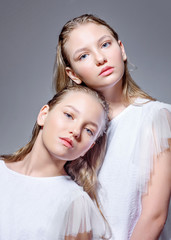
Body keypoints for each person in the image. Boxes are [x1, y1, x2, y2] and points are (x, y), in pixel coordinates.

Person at [53, 14, 171, 240]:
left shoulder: (156, 117)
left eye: (105, 44)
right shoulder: (72, 133)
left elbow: (154, 217)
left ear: (121, 50)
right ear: (73, 74)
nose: (100, 58)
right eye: (84, 55)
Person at [0, 85, 111, 240]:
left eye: (89, 130)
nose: (76, 131)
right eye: (69, 115)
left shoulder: (75, 202)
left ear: (90, 146)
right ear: (44, 115)